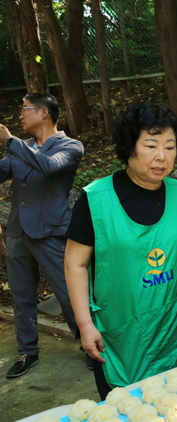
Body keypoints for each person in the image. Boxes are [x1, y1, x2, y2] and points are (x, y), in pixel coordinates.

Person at [64, 102, 177, 399]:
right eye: (150, 145)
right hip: (121, 337)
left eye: (170, 146)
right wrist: (84, 325)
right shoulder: (96, 199)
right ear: (130, 147)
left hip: (175, 328)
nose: (162, 157)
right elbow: (74, 264)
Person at [0, 93, 83, 379]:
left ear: (44, 112)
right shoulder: (18, 151)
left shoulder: (70, 146)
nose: (20, 115)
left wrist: (11, 142)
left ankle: (90, 343)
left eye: (25, 109)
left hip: (50, 232)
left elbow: (48, 167)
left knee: (70, 294)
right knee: (21, 297)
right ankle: (27, 352)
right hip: (17, 232)